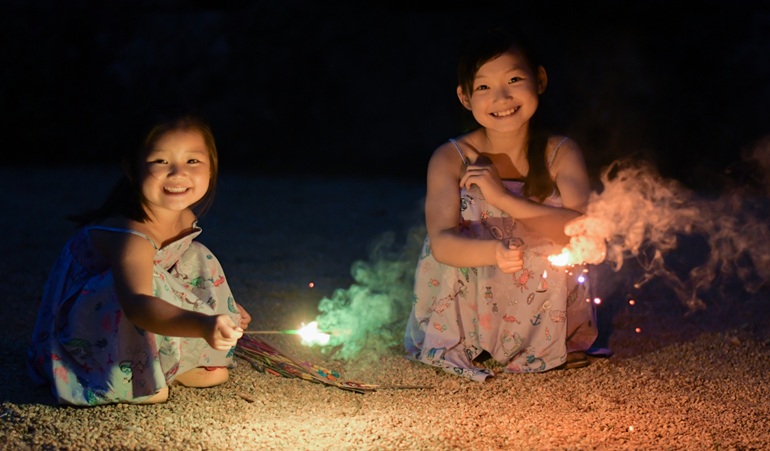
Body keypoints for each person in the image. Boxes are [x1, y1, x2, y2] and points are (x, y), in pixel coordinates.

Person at [404, 28, 598, 381]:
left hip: (540, 294)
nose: (501, 97)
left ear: (539, 80)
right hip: (474, 287)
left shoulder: (560, 153)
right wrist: (494, 252)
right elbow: (442, 243)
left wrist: (502, 198)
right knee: (457, 242)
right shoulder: (451, 157)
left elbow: (582, 235)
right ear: (464, 97)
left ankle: (547, 342)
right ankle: (473, 341)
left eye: (514, 79)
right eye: (483, 86)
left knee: (552, 253)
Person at [27, 114, 252, 405]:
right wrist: (201, 324)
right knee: (147, 281)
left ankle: (177, 362)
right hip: (91, 323)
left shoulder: (184, 217)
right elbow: (138, 304)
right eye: (161, 161)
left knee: (198, 254)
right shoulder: (131, 235)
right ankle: (129, 373)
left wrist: (222, 308)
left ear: (212, 167)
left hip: (139, 302)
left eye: (192, 161)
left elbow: (177, 273)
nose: (178, 173)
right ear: (132, 168)